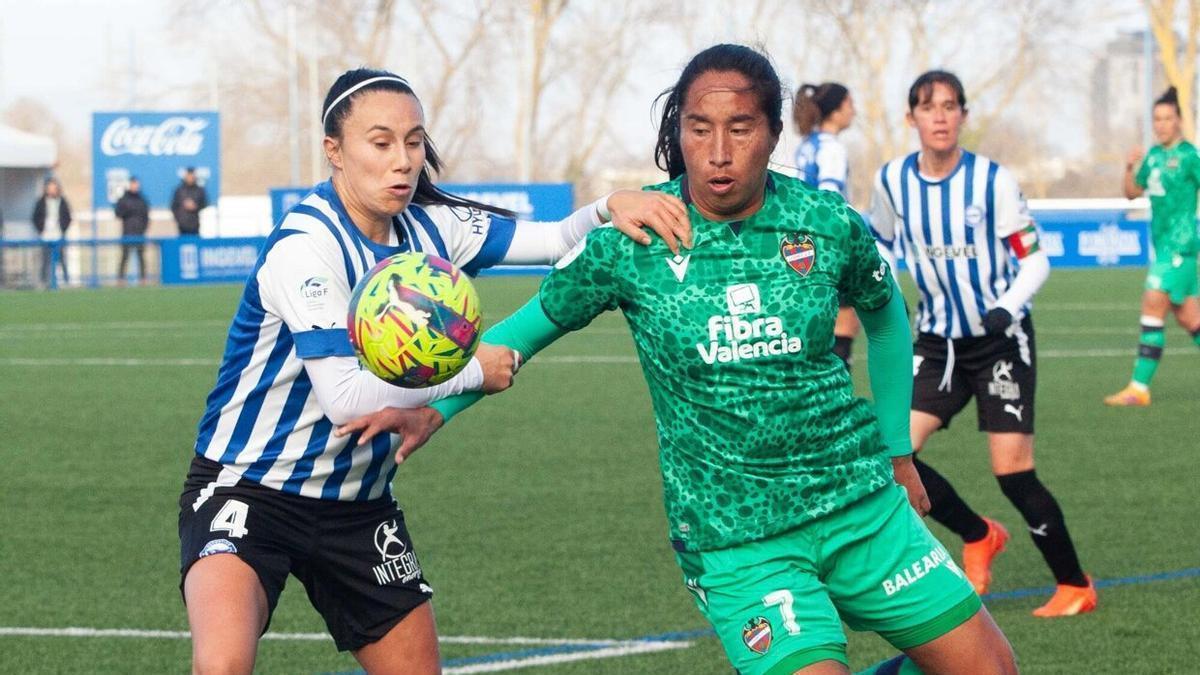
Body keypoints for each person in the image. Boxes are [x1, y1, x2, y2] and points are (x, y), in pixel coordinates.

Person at [342, 46, 1017, 675]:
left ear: (776, 133)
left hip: (862, 504)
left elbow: (886, 313)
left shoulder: (826, 222)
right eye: (699, 128)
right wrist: (433, 406)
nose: (718, 152)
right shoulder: (633, 240)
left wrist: (898, 451)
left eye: (741, 127)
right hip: (739, 538)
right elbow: (519, 334)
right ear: (679, 130)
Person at [176, 67, 691, 674]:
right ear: (334, 152)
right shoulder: (305, 248)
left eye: (414, 142)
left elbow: (554, 239)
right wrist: (473, 371)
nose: (403, 161)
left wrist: (610, 206)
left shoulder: (430, 226)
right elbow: (345, 398)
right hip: (249, 490)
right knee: (222, 668)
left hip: (357, 505)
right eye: (381, 142)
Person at [867, 70, 1096, 617]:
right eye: (928, 107)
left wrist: (1005, 309)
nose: (940, 116)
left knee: (1012, 471)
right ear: (912, 118)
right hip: (937, 341)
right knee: (894, 452)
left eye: (950, 106)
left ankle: (1074, 585)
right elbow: (879, 247)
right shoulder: (892, 182)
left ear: (963, 116)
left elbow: (1035, 258)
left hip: (999, 342)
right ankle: (977, 534)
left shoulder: (991, 182)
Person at [1104, 86, 1200, 406]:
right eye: (1156, 119)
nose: (1160, 125)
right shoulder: (1154, 157)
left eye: (1166, 118)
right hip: (1163, 247)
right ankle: (1138, 388)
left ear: (1179, 122)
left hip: (1181, 244)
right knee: (1190, 319)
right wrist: (1130, 167)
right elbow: (1132, 193)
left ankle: (1138, 388)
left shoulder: (1189, 156)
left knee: (1152, 304)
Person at [794, 81, 860, 370]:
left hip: (803, 243)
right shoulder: (832, 148)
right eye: (850, 104)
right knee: (845, 320)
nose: (854, 111)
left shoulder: (807, 144)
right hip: (827, 244)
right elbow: (830, 199)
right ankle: (834, 386)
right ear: (836, 110)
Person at [32, 177, 72, 287]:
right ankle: (43, 281)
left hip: (58, 234)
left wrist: (62, 228)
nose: (51, 190)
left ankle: (65, 280)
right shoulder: (41, 202)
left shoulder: (62, 201)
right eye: (49, 188)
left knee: (62, 259)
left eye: (53, 188)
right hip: (46, 235)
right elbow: (35, 217)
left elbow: (68, 217)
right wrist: (41, 228)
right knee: (45, 260)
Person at [114, 177, 150, 285]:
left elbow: (146, 216)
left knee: (141, 256)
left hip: (139, 232)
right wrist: (127, 210)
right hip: (127, 232)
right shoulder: (124, 199)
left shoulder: (142, 199)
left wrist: (143, 228)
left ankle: (143, 279)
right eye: (133, 184)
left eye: (136, 184)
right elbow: (118, 213)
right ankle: (121, 279)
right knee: (125, 256)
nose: (135, 186)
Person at [171, 166, 208, 236]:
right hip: (182, 225)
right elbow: (173, 206)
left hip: (195, 224)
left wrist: (195, 206)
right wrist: (179, 219)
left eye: (192, 176)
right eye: (188, 176)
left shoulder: (199, 190)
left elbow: (204, 203)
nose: (190, 178)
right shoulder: (179, 190)